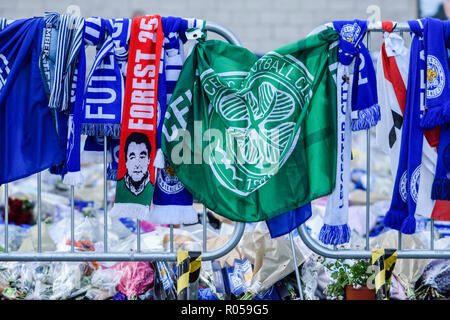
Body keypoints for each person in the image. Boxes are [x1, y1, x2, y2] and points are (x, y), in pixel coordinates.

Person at [116, 132, 153, 198]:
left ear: (149, 160)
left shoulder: (154, 187)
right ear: (126, 162)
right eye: (132, 157)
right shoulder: (119, 186)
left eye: (142, 157)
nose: (137, 165)